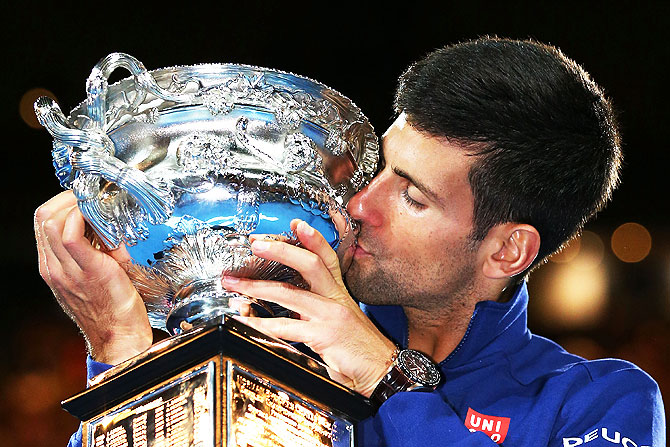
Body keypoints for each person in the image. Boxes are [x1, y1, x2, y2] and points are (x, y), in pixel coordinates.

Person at [35, 37, 665, 446]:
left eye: (413, 197)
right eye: (381, 170)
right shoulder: (271, 349)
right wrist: (122, 355)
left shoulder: (600, 402)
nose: (360, 204)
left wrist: (388, 379)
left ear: (506, 250)